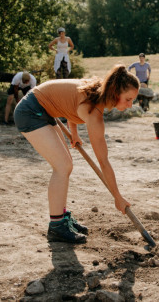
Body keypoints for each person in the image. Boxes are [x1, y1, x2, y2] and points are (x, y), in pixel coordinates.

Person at [13, 65, 139, 243]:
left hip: (44, 109)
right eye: (128, 99)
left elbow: (71, 104)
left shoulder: (96, 90)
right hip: (31, 112)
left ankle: (62, 217)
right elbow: (103, 161)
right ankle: (57, 226)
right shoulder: (93, 113)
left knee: (65, 165)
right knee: (62, 166)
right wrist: (118, 197)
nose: (130, 105)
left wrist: (75, 133)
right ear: (115, 92)